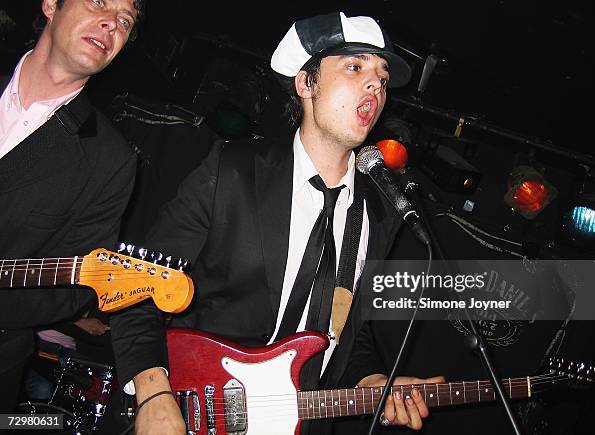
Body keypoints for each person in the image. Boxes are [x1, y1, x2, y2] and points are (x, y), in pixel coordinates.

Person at [110, 11, 444, 435]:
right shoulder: (231, 171)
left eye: (380, 75)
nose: (375, 85)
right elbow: (137, 286)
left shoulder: (379, 213)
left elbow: (346, 334)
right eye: (354, 67)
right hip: (195, 411)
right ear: (306, 84)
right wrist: (154, 394)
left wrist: (374, 380)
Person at [0, 0, 144, 413]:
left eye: (124, 20)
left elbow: (72, 287)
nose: (111, 23)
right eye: (99, 2)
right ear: (50, 5)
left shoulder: (110, 160)